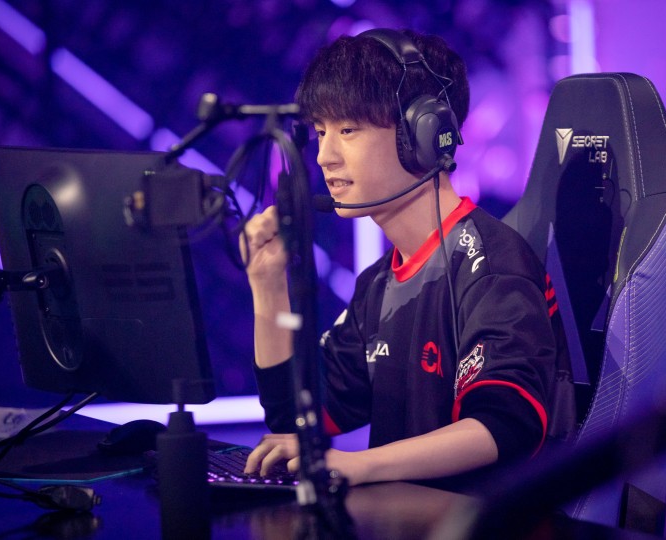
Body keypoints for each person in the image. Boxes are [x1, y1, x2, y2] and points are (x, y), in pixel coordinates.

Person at [241, 28, 575, 487]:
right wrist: (268, 288)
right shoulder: (378, 283)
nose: (324, 156)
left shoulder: (494, 266)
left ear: (424, 133)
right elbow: (297, 415)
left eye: (347, 130)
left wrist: (360, 465)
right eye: (320, 132)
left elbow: (506, 424)